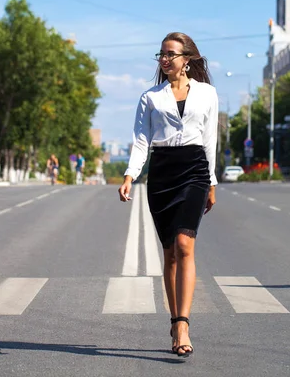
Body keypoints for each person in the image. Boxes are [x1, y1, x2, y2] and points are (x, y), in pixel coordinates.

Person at [118, 32, 218, 358]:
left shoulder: (208, 94)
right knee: (170, 254)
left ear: (186, 59)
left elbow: (209, 140)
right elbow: (141, 140)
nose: (164, 59)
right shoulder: (150, 97)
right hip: (162, 174)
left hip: (194, 171)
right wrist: (130, 175)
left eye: (170, 54)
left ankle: (184, 324)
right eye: (161, 54)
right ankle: (174, 322)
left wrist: (212, 182)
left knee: (185, 244)